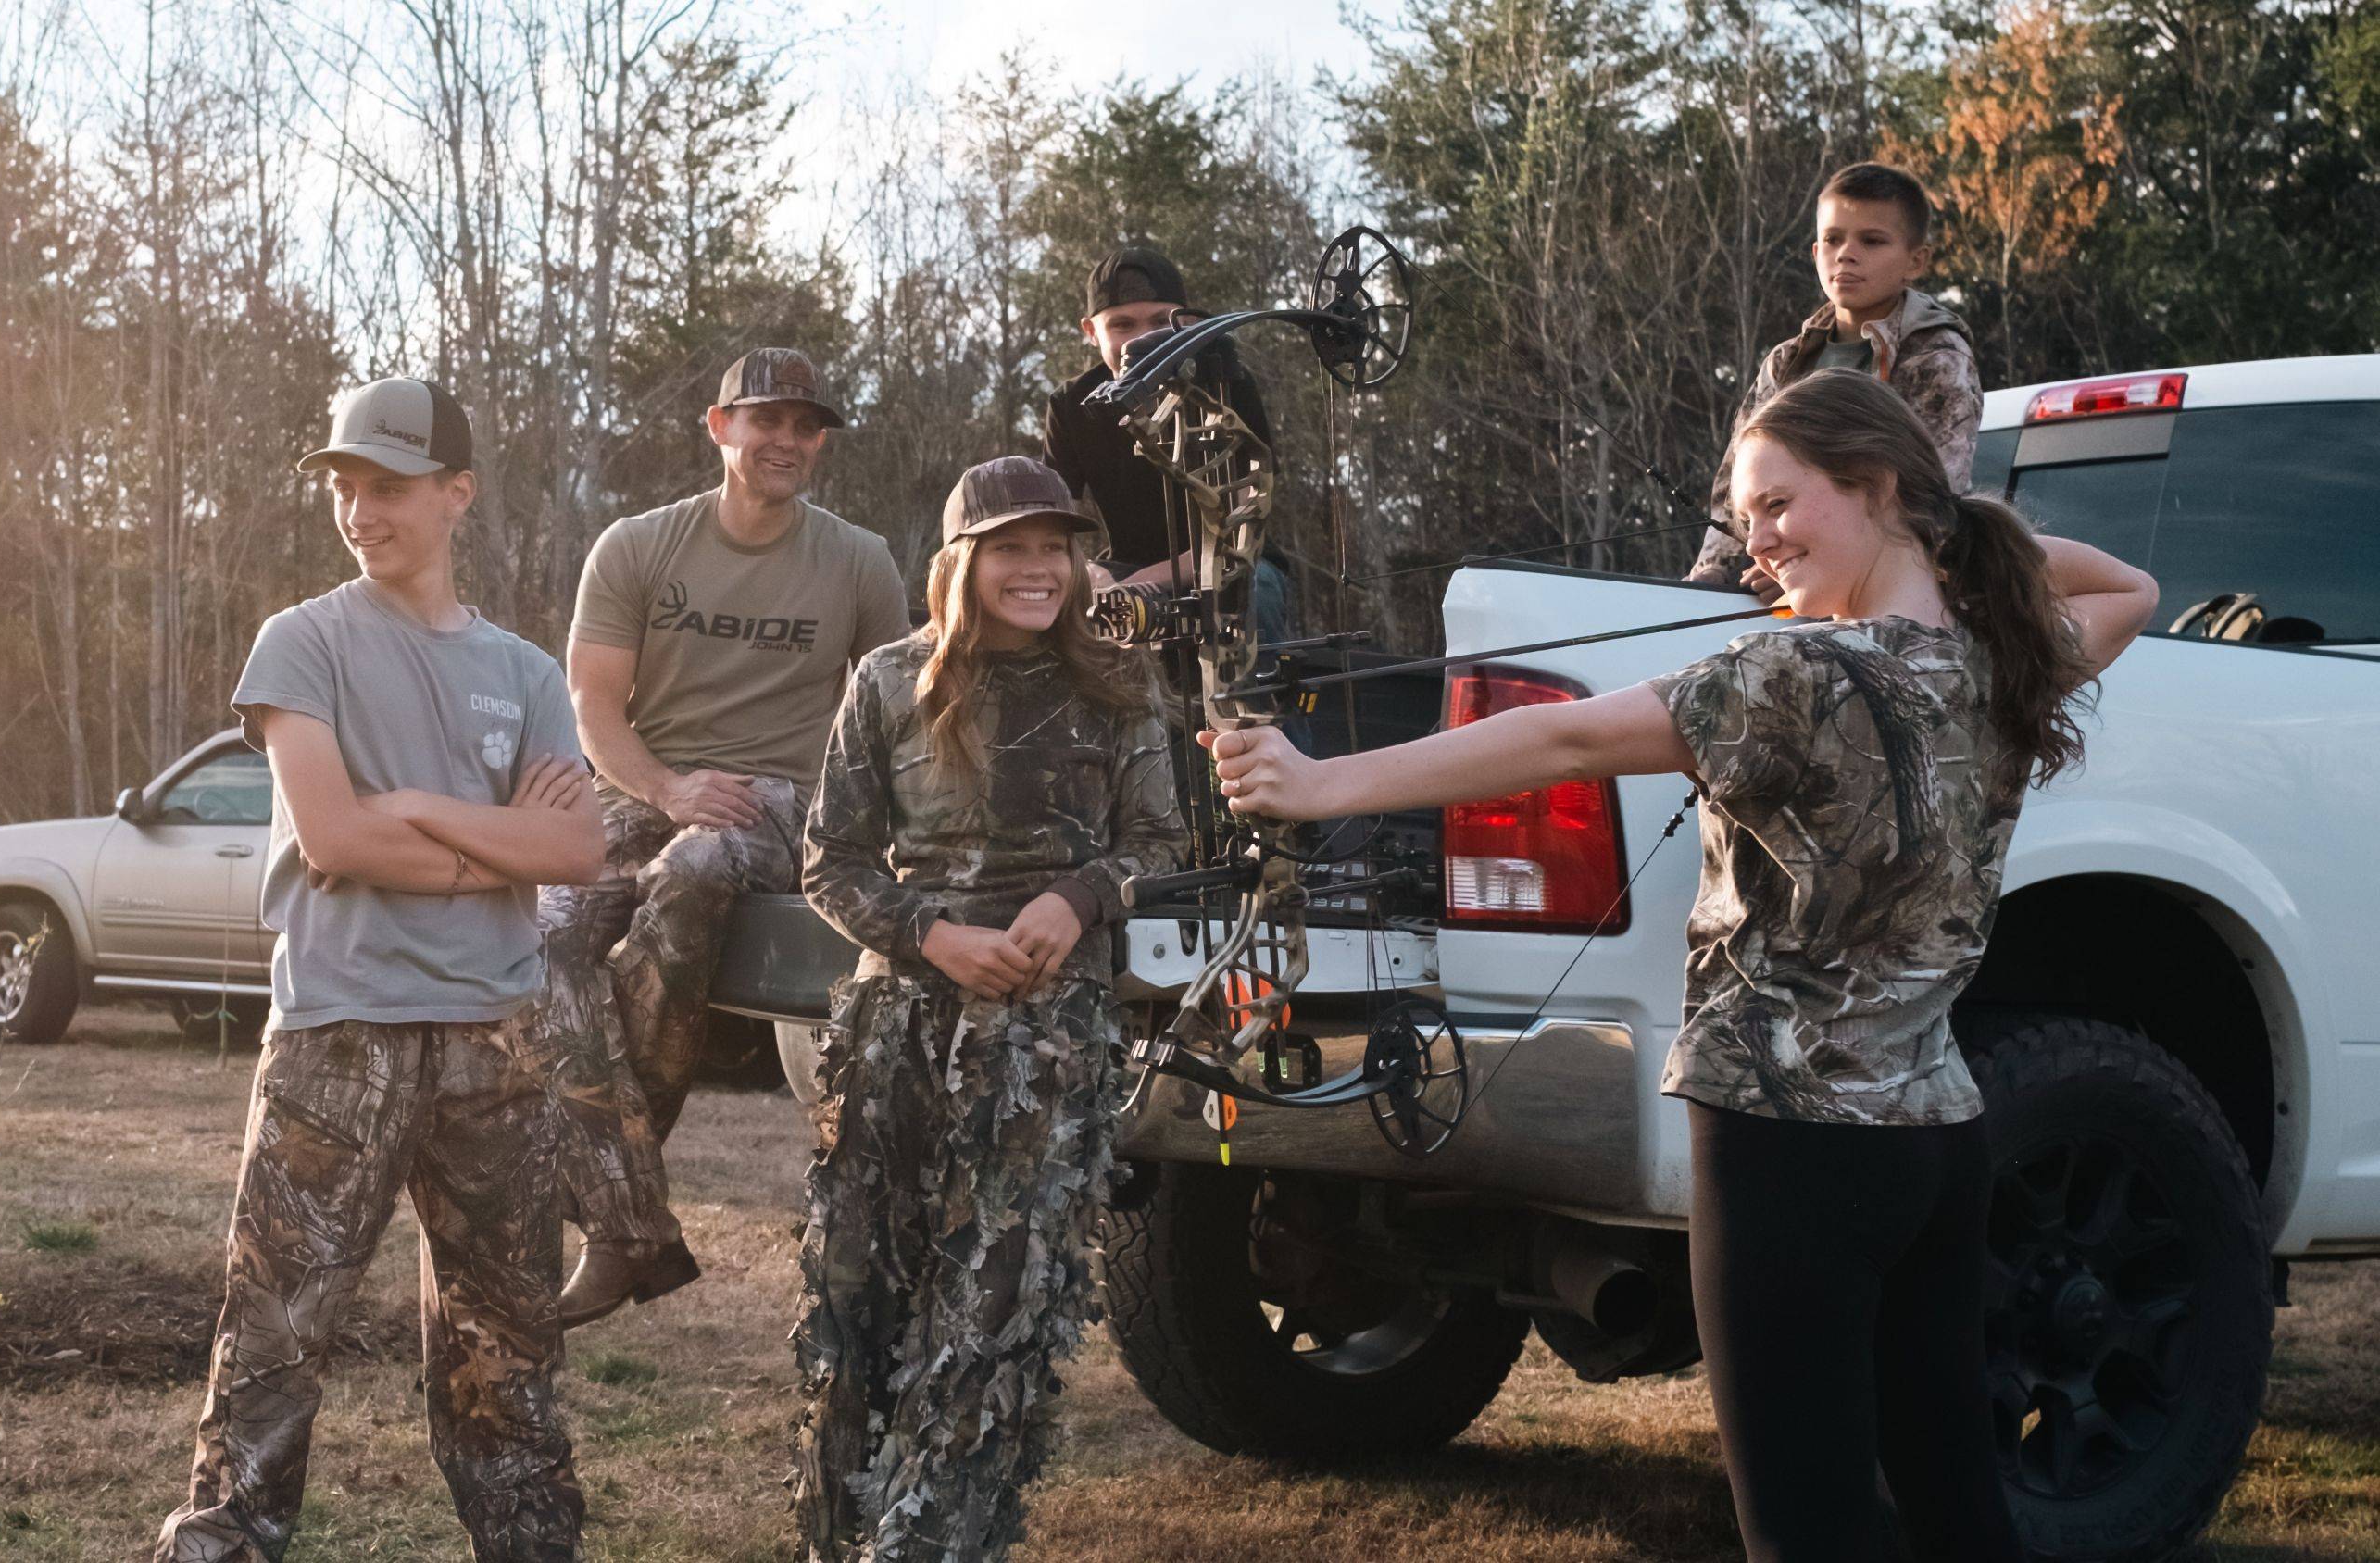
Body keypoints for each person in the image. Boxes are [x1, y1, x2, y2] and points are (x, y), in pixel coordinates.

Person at [1212, 371, 2159, 1563]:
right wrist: (1954, 533)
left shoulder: (1791, 675)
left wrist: (1322, 780)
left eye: (1778, 505)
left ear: (1874, 487)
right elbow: (2130, 585)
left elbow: (1562, 736)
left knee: (1805, 1524)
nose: (1756, 543)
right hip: (1938, 1135)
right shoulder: (1997, 658)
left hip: (1785, 1140)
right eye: (1746, 515)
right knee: (1956, 1495)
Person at [157, 378, 608, 1563]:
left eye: (390, 487)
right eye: (346, 486)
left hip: (494, 1043)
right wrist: (485, 848)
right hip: (338, 1036)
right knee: (272, 1341)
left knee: (504, 1355)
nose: (362, 510)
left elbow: (576, 847)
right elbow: (335, 837)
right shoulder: (301, 642)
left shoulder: (523, 673)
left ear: (457, 494)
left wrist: (414, 805)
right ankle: (225, 1545)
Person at [792, 456, 1186, 1561]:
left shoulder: (1120, 681)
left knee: (992, 1312)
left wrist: (1080, 895)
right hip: (897, 1036)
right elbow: (831, 859)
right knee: (859, 1304)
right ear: (962, 562)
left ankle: (926, 1547)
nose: (1037, 569)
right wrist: (932, 935)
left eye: (1055, 547)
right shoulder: (888, 679)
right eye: (1011, 547)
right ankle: (842, 1537)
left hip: (1047, 1045)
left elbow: (1159, 843)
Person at [545, 347, 910, 1327]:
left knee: (695, 869)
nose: (787, 440)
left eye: (806, 425)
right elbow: (592, 706)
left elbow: (891, 714)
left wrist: (876, 838)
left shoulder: (858, 559)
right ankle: (627, 1222)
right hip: (637, 790)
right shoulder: (637, 546)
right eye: (767, 421)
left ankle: (608, 1212)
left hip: (779, 801)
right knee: (536, 930)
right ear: (720, 428)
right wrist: (667, 785)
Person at [1689, 162, 1983, 597]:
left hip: (1885, 599)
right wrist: (1714, 573)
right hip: (1778, 587)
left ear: (1916, 260)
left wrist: (1807, 574)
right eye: (1833, 239)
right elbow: (1735, 487)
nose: (1846, 253)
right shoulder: (1787, 362)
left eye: (1872, 240)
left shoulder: (1936, 357)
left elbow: (1930, 501)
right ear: (1815, 252)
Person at [1043, 244, 1290, 643]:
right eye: (1123, 325)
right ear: (1091, 332)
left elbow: (1242, 524)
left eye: (1160, 321)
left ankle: (1256, 704)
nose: (1145, 339)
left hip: (1235, 564)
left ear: (1189, 322)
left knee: (1252, 588)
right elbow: (1051, 520)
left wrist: (1143, 583)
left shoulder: (1228, 384)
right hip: (1124, 570)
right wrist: (1084, 572)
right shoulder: (1071, 405)